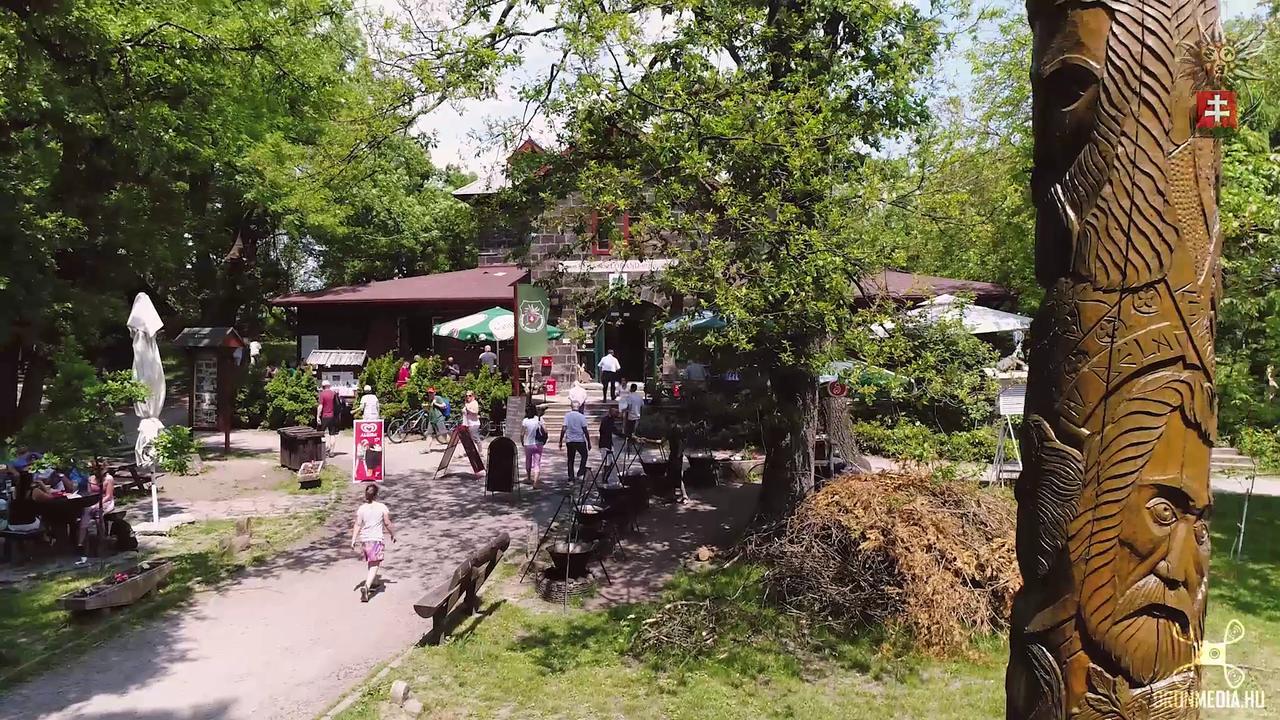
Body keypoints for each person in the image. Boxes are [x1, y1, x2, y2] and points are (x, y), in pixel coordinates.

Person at [349, 484, 396, 603]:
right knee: (376, 563)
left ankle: (374, 582)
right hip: (376, 539)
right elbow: (387, 522)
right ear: (376, 495)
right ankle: (367, 586)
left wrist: (353, 539)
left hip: (365, 539)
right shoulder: (382, 507)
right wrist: (393, 534)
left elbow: (358, 524)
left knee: (371, 561)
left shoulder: (362, 508)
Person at [76, 468, 115, 564]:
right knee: (86, 512)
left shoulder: (109, 479)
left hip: (106, 501)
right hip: (93, 501)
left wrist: (98, 504)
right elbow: (90, 494)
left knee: (98, 513)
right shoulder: (91, 479)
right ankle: (80, 544)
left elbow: (108, 496)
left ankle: (102, 539)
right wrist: (91, 503)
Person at [558, 401, 591, 483]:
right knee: (584, 455)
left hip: (570, 440)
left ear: (571, 406)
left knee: (570, 459)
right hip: (580, 440)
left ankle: (571, 477)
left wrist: (560, 440)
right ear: (579, 407)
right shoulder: (582, 417)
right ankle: (580, 472)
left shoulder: (567, 416)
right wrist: (588, 441)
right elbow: (585, 430)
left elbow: (564, 428)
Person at [521, 405, 547, 487]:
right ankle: (535, 482)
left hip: (528, 443)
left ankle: (529, 477)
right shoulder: (539, 419)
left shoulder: (525, 421)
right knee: (537, 463)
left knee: (528, 460)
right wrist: (545, 439)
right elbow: (545, 431)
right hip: (538, 443)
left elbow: (522, 433)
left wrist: (522, 441)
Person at [316, 379, 339, 457]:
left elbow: (320, 406)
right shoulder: (334, 394)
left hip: (324, 416)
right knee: (332, 434)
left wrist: (318, 416)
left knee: (321, 433)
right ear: (329, 386)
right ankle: (332, 452)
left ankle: (323, 450)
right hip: (333, 417)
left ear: (323, 386)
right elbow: (337, 405)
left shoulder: (322, 394)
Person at [598, 406, 622, 478]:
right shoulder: (607, 420)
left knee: (611, 462)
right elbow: (612, 430)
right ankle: (605, 477)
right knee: (607, 462)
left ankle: (606, 476)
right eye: (616, 413)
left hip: (609, 443)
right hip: (605, 444)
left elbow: (613, 430)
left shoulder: (610, 419)